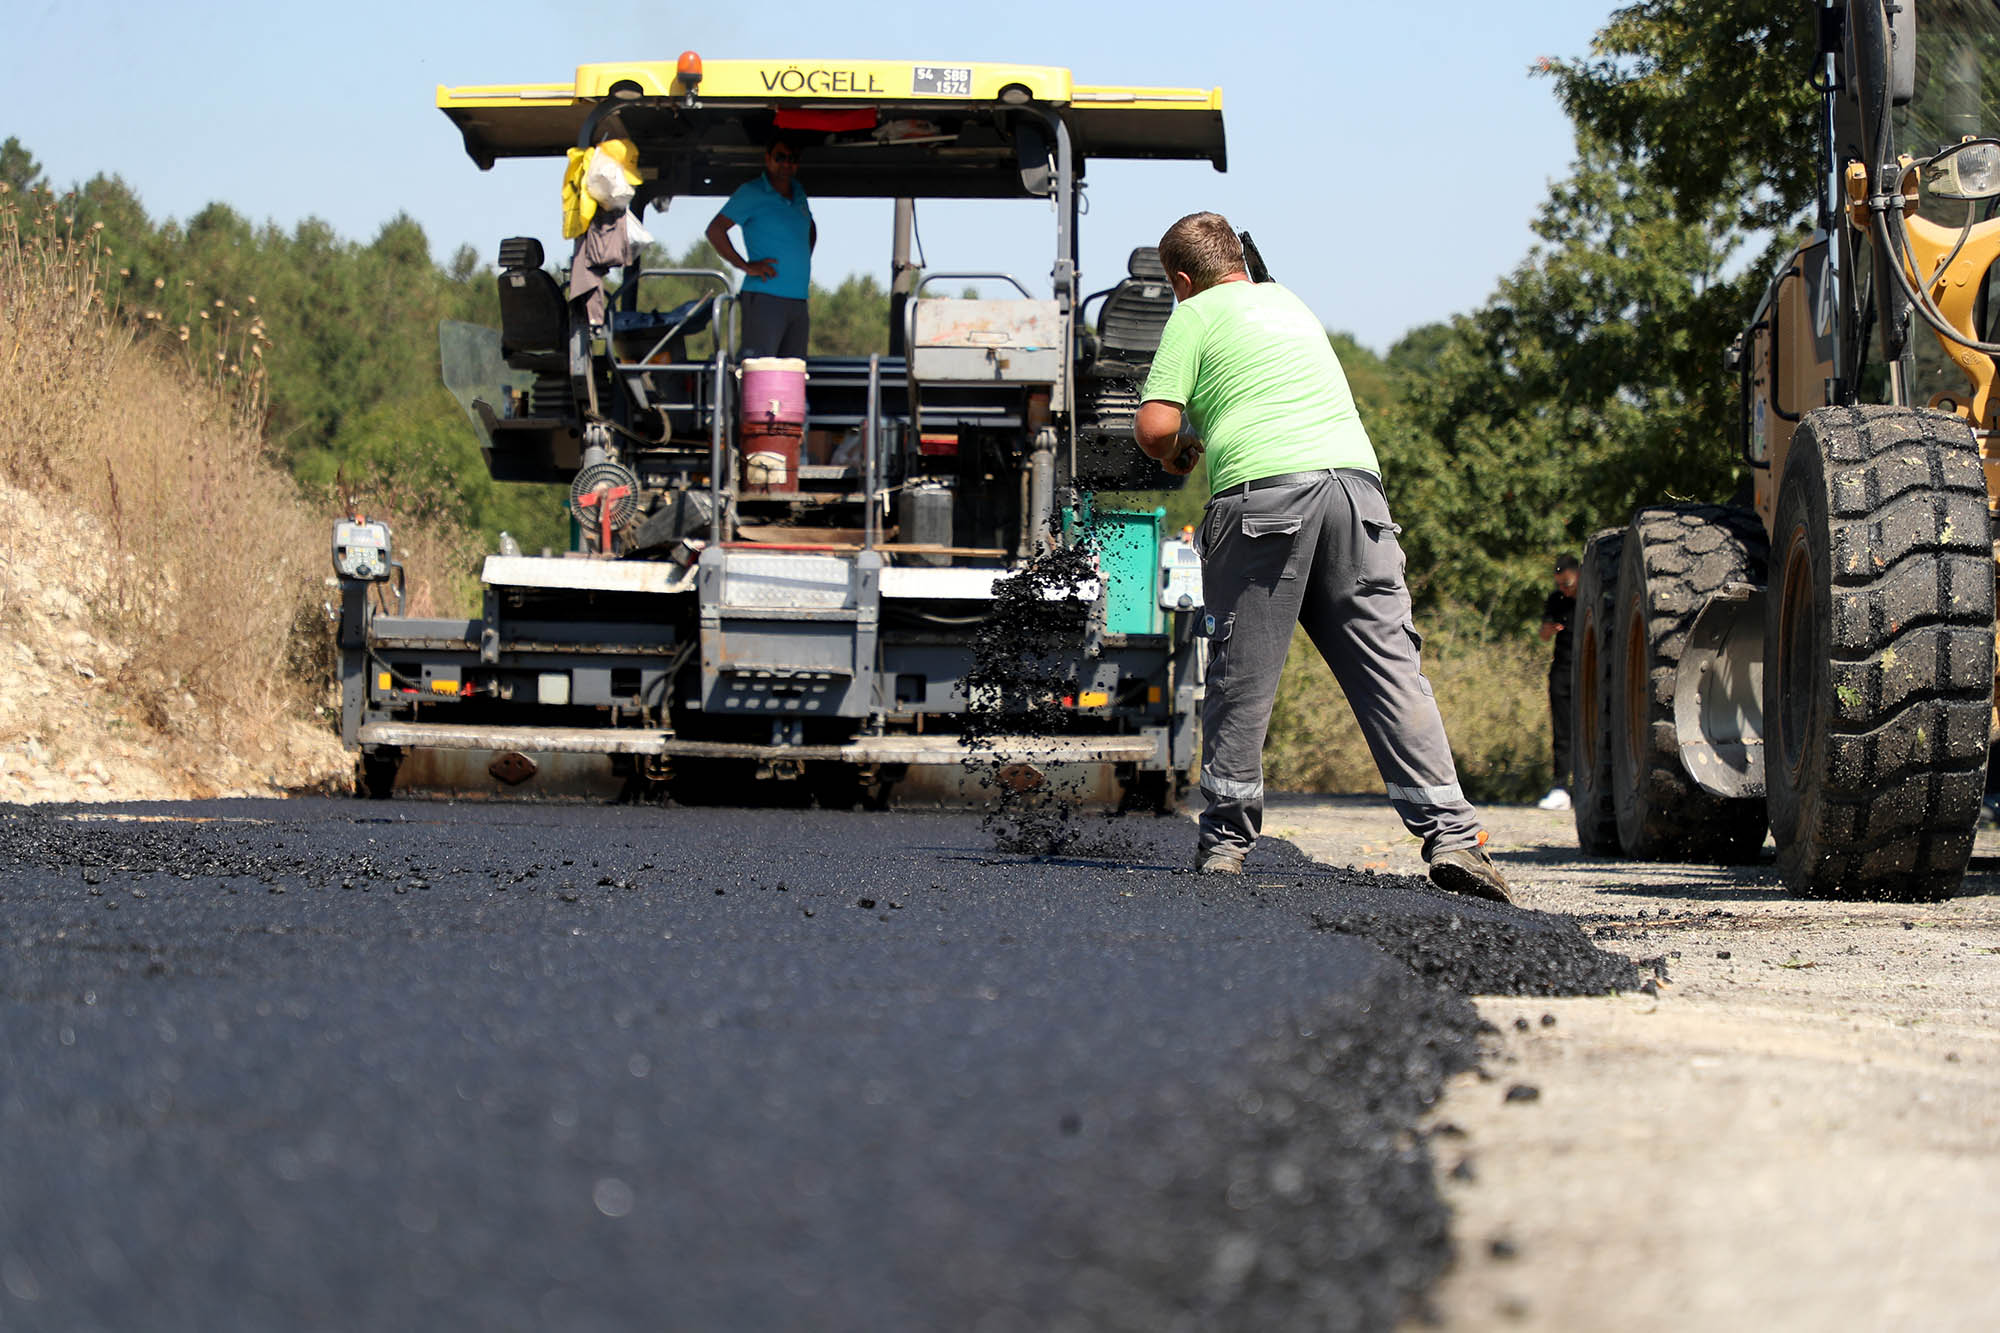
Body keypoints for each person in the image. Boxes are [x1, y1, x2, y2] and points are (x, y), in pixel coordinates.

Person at [1132, 211, 1511, 903]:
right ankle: (1454, 836)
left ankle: (1224, 843)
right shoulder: (1289, 301)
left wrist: (1177, 446)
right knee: (1392, 669)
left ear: (1183, 279)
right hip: (1358, 495)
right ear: (1240, 260)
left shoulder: (1196, 312)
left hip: (1266, 502)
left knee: (1243, 678)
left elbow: (1154, 424)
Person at [706, 135, 816, 358]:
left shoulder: (799, 191)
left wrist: (799, 260)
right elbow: (715, 230)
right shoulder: (751, 192)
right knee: (760, 368)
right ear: (768, 159)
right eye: (780, 157)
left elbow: (810, 228)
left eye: (792, 158)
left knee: (793, 371)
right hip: (765, 296)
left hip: (799, 299)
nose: (786, 163)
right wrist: (746, 266)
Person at [1538, 554, 1582, 812]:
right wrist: (1549, 629)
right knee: (1562, 732)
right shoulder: (1557, 601)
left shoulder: (1592, 599)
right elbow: (1543, 635)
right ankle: (1560, 787)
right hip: (1562, 670)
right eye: (1559, 585)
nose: (1563, 589)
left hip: (1588, 671)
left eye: (1567, 583)